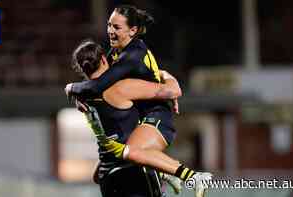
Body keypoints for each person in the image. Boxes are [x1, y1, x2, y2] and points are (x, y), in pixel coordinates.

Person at [66, 4, 212, 195]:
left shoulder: (131, 56)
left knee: (130, 153)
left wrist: (71, 88)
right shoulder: (116, 53)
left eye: (116, 27)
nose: (110, 30)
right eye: (109, 25)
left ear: (132, 30)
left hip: (157, 117)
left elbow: (98, 85)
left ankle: (191, 176)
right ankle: (165, 173)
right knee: (110, 165)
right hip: (144, 116)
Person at [69, 39, 183, 197]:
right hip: (133, 171)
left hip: (106, 174)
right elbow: (173, 90)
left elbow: (109, 135)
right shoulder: (121, 88)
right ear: (103, 59)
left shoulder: (83, 97)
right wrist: (164, 74)